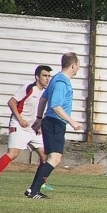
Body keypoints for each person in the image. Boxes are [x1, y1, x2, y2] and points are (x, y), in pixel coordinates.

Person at [25, 53, 82, 199]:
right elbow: (55, 105)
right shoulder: (62, 82)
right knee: (54, 159)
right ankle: (33, 190)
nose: (78, 69)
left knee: (52, 158)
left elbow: (43, 99)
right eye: (78, 66)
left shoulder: (56, 78)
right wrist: (72, 121)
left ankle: (33, 190)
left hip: (51, 122)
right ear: (73, 65)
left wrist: (39, 118)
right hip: (55, 122)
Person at [0, 65, 55, 190]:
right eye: (44, 75)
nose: (47, 78)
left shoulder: (46, 93)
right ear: (37, 77)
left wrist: (40, 124)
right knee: (13, 153)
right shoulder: (28, 88)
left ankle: (41, 182)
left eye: (48, 76)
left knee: (45, 156)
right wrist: (20, 119)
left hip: (34, 128)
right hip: (19, 125)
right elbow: (11, 102)